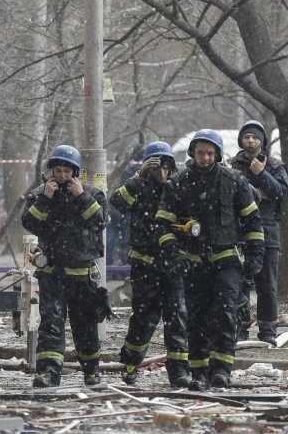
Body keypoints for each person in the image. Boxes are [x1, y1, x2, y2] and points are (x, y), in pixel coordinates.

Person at [155, 129, 264, 391]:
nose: (205, 158)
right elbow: (162, 226)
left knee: (226, 315)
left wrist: (255, 256)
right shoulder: (178, 184)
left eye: (210, 153)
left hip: (226, 260)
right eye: (201, 153)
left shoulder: (234, 182)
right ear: (193, 152)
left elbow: (253, 222)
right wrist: (172, 253)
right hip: (193, 262)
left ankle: (222, 371)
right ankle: (199, 373)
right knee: (197, 320)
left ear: (217, 155)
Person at [21, 144, 109, 388]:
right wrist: (46, 200)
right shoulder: (39, 195)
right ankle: (49, 373)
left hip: (82, 276)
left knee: (86, 326)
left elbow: (101, 221)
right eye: (58, 171)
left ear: (75, 172)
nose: (61, 176)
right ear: (51, 171)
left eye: (67, 171)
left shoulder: (92, 194)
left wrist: (82, 197)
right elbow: (29, 223)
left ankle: (92, 372)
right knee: (51, 325)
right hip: (53, 274)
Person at [109, 141, 189, 388]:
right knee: (143, 319)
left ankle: (178, 373)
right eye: (156, 168)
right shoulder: (138, 188)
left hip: (173, 266)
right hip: (145, 267)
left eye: (166, 167)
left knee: (177, 319)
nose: (162, 173)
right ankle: (131, 366)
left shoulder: (178, 188)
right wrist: (138, 177)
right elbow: (117, 203)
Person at [229, 121, 288, 346]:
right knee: (238, 283)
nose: (251, 141)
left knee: (267, 285)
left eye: (255, 137)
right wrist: (255, 192)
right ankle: (240, 327)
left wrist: (262, 174)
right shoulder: (232, 165)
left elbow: (280, 193)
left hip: (267, 233)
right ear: (241, 140)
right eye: (247, 137)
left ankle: (267, 329)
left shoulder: (273, 165)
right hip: (239, 233)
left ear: (262, 141)